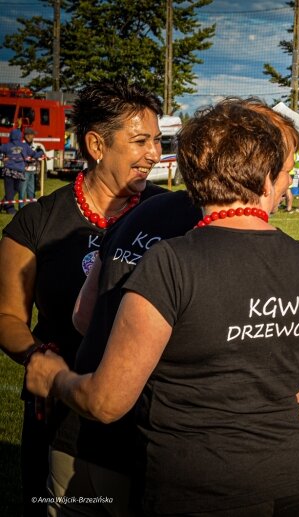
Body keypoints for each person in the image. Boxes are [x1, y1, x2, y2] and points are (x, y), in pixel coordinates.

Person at [26, 99, 299, 517]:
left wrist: (55, 378)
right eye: (284, 169)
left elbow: (97, 364)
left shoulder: (170, 257)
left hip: (180, 476)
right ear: (266, 175)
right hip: (277, 477)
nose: (287, 181)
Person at [0, 80, 165, 517]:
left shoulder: (172, 215)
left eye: (157, 140)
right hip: (62, 413)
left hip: (148, 415)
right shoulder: (37, 220)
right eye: (140, 141)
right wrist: (38, 357)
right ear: (96, 144)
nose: (154, 153)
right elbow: (7, 315)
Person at [1, 127, 43, 214]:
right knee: (16, 189)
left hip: (8, 171)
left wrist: (2, 158)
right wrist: (41, 152)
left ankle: (6, 204)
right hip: (19, 172)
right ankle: (9, 208)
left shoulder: (7, 146)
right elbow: (34, 154)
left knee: (10, 190)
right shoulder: (24, 146)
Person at [20, 127, 45, 206]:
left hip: (32, 171)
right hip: (24, 171)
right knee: (22, 192)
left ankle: (31, 209)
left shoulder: (34, 145)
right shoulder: (23, 146)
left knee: (31, 192)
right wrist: (38, 154)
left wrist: (39, 153)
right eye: (32, 135)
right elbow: (28, 158)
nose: (33, 137)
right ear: (27, 136)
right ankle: (21, 209)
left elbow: (37, 155)